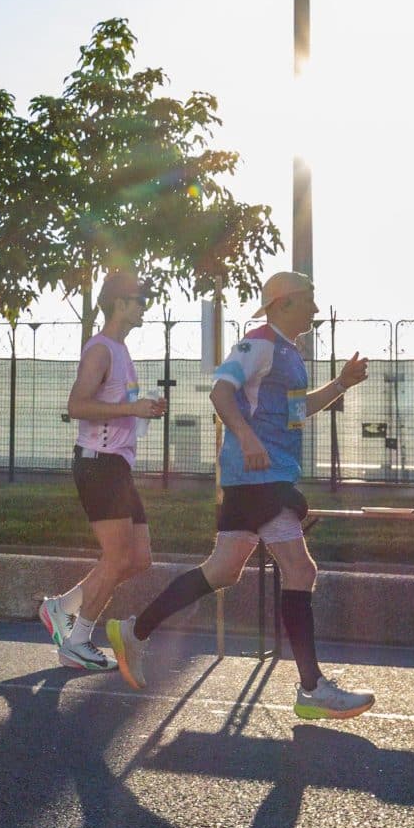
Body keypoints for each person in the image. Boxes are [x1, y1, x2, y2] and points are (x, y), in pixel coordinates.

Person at [105, 271, 376, 720]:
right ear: (284, 303)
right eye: (309, 299)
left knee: (222, 571)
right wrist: (247, 437)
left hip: (263, 476)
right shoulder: (259, 342)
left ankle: (135, 630)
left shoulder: (289, 353)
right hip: (258, 475)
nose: (314, 307)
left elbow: (296, 409)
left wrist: (341, 384)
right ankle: (311, 688)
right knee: (300, 569)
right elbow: (220, 391)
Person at [38, 270, 168, 672]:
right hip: (99, 464)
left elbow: (114, 405)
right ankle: (77, 641)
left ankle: (62, 607)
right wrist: (131, 408)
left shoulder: (121, 350)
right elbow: (77, 405)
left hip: (117, 466)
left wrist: (142, 407)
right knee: (116, 557)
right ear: (120, 304)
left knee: (139, 557)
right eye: (139, 299)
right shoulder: (100, 349)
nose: (145, 306)